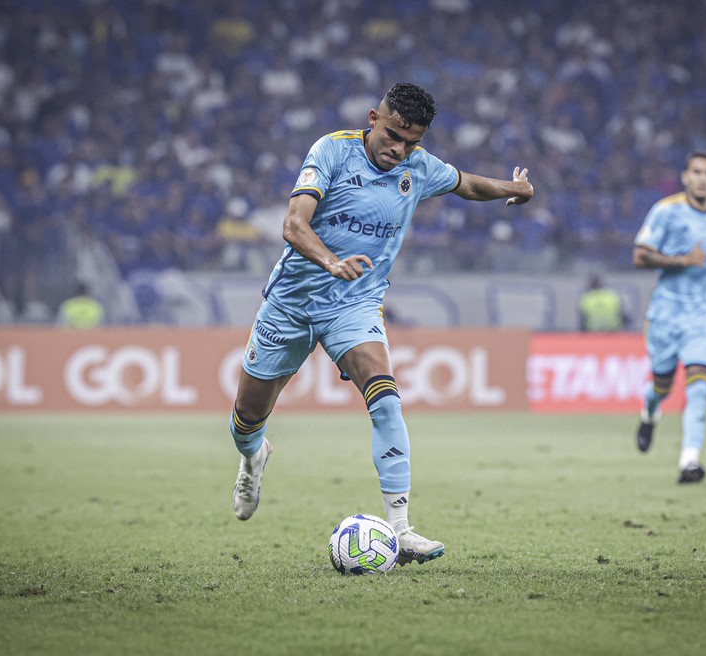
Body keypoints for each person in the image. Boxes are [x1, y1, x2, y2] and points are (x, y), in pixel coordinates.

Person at [228, 82, 533, 565]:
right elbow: (293, 224)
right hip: (292, 304)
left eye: (411, 142)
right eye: (393, 135)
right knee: (246, 419)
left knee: (386, 397)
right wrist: (330, 262)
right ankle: (252, 457)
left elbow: (468, 184)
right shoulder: (331, 151)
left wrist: (514, 190)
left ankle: (401, 529)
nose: (400, 149)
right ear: (373, 118)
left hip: (355, 305)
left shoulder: (418, 166)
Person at [632, 151, 706, 484]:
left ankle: (689, 462)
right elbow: (639, 257)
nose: (703, 178)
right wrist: (682, 260)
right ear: (685, 177)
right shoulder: (666, 211)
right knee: (661, 386)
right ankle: (649, 414)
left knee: (699, 387)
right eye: (697, 172)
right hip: (667, 313)